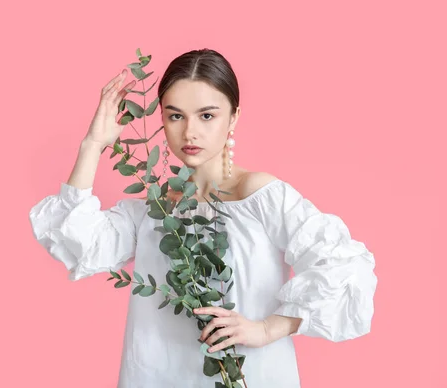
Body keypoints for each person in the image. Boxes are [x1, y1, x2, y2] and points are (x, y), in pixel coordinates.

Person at [28, 49, 378, 388]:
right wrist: (93, 143)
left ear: (234, 117)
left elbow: (343, 263)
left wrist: (269, 329)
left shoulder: (259, 195)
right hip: (156, 374)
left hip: (251, 375)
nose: (189, 132)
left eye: (207, 115)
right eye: (175, 115)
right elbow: (76, 240)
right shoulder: (157, 209)